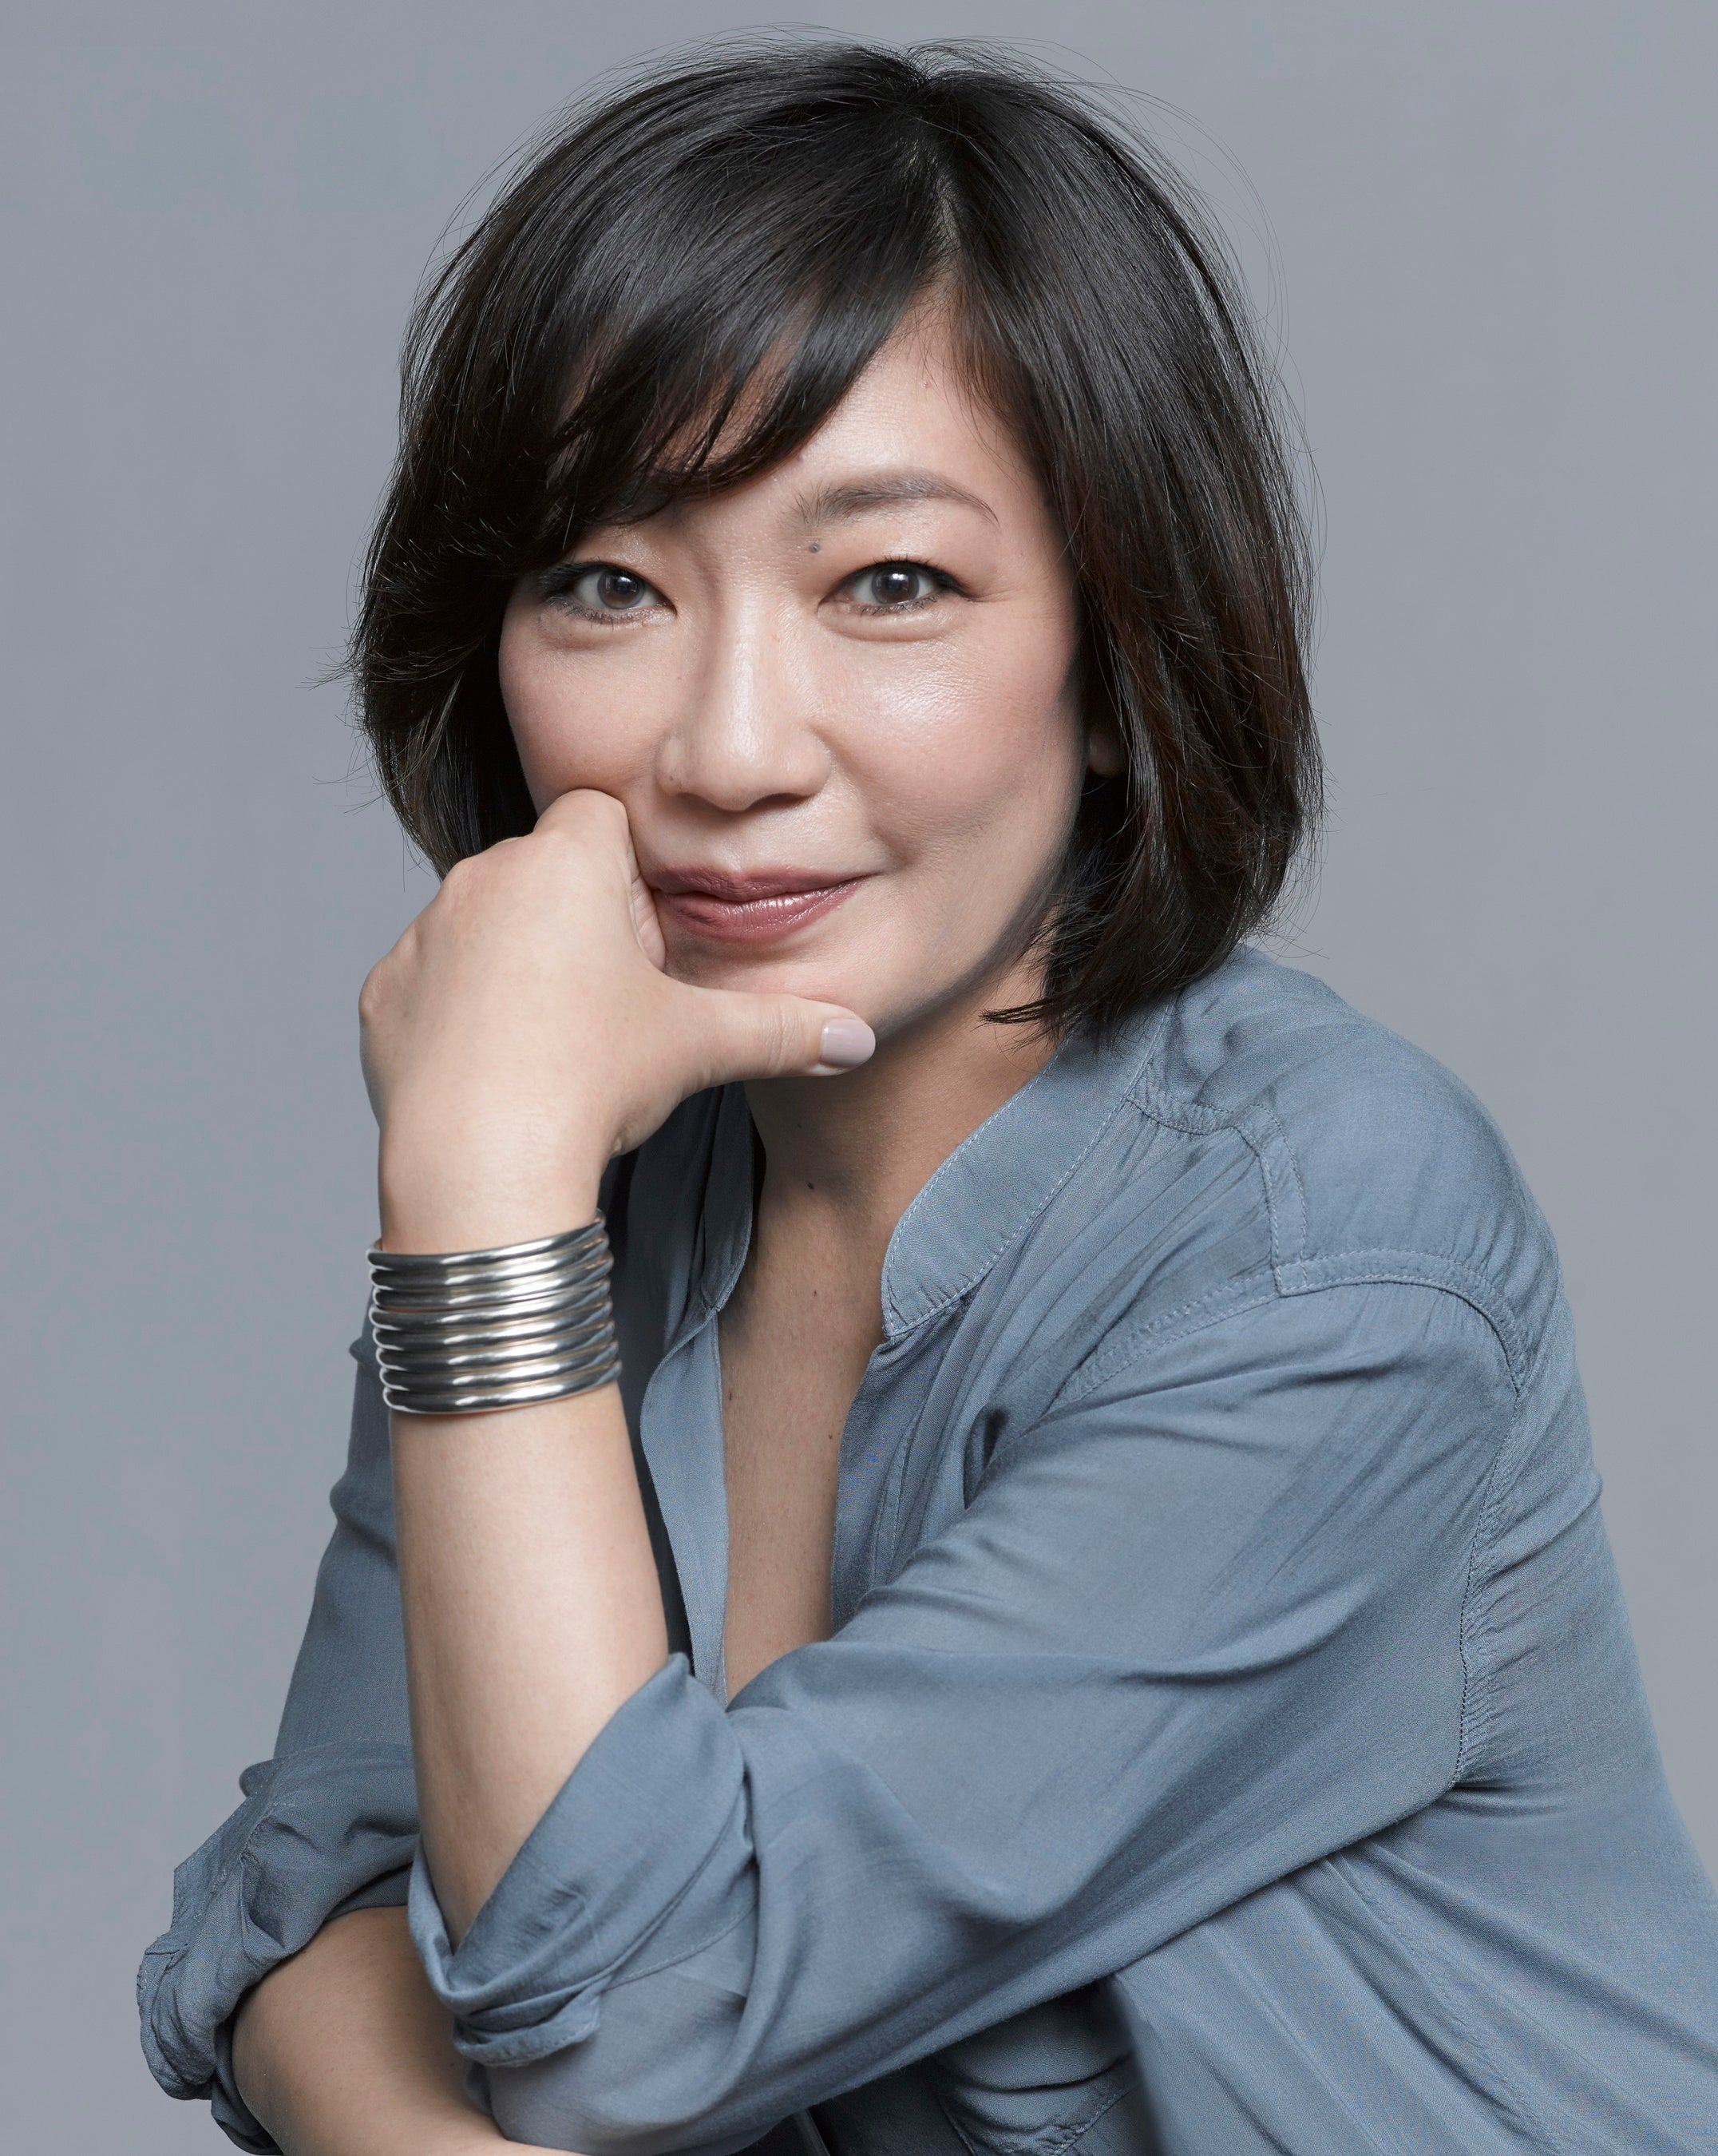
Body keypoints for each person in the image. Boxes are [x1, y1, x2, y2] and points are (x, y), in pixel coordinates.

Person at [137, 39, 1718, 2156]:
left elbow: (631, 2014)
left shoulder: (1332, 1256)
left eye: (891, 585)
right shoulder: (580, 1186)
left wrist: (481, 1174)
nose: (726, 749)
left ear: (1114, 653)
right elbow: (306, 1892)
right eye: (608, 581)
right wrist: (497, 1186)